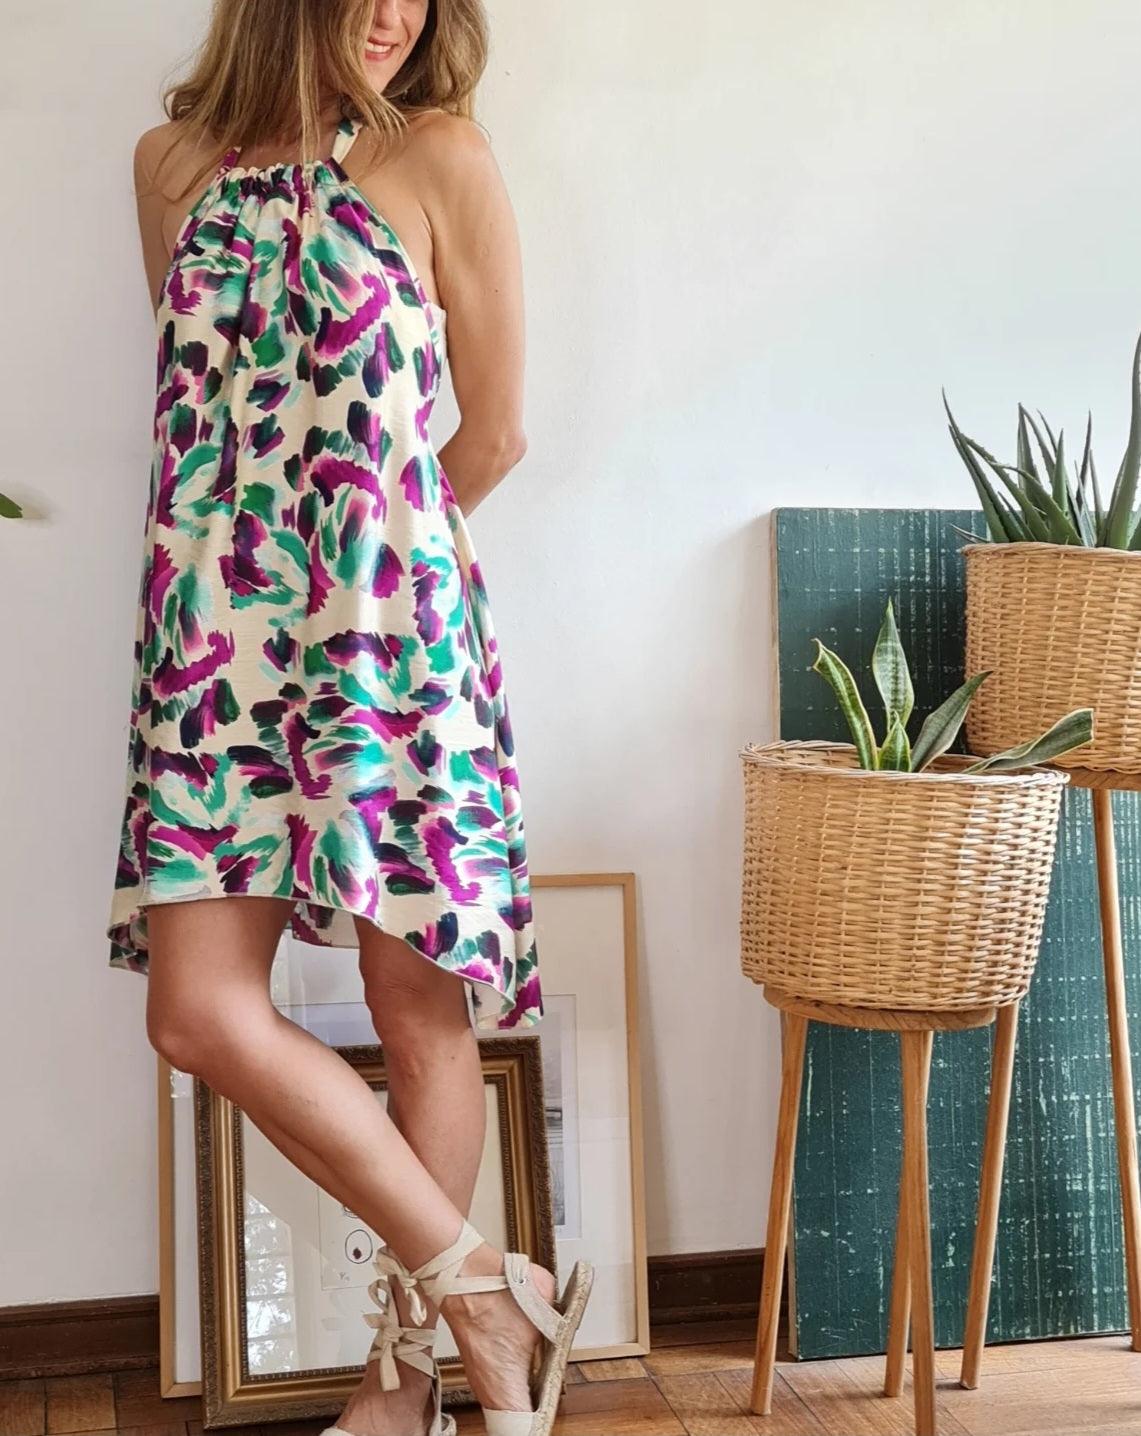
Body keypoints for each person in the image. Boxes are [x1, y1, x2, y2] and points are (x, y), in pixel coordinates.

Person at [107, 3, 592, 1433]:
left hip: (387, 636)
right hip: (217, 644)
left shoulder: (442, 157)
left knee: (415, 1005)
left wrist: (368, 569)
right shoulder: (169, 168)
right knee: (198, 1011)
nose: (394, 11)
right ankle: (485, 1285)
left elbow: (491, 434)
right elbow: (207, 414)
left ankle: (406, 1388)